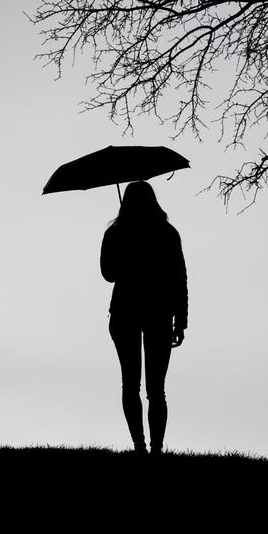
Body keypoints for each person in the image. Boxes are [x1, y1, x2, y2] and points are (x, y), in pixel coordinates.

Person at [100, 180, 188, 456]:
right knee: (156, 389)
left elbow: (108, 273)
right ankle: (155, 449)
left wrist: (123, 248)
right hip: (159, 313)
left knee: (131, 384)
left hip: (126, 312)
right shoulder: (167, 233)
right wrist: (181, 319)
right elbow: (179, 278)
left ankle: (140, 446)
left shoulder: (115, 233)